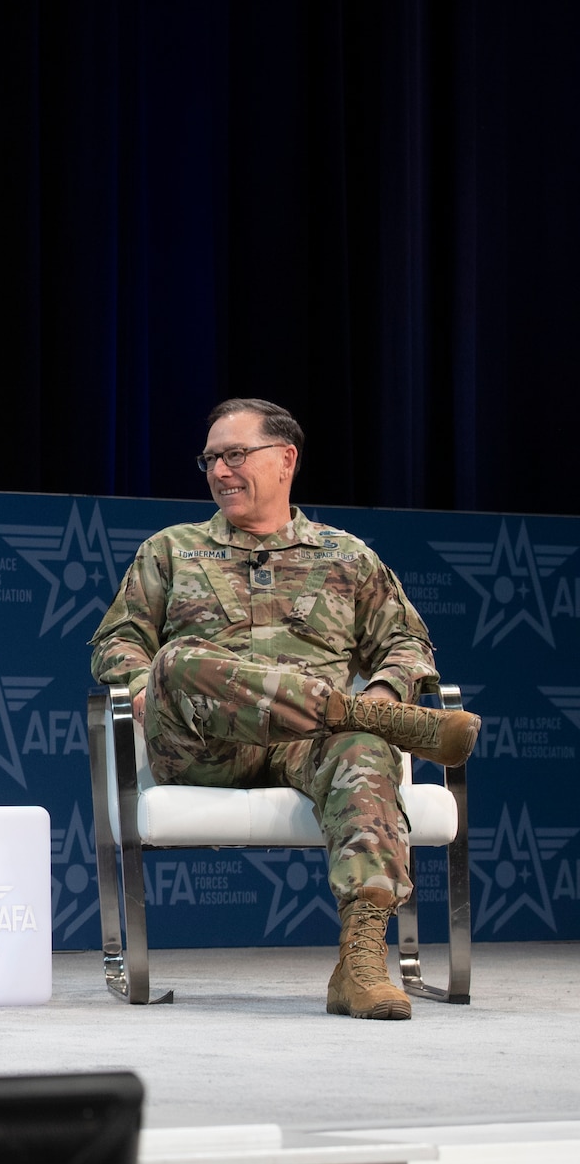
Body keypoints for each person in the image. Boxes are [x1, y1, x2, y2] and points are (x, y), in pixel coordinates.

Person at [90, 398, 480, 1020]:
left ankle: (360, 962)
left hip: (306, 746)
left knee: (363, 749)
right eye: (211, 459)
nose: (220, 471)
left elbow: (407, 644)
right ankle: (362, 715)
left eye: (236, 455)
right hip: (201, 746)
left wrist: (385, 690)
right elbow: (119, 639)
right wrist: (141, 682)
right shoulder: (171, 550)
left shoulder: (346, 556)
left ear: (286, 460)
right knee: (179, 658)